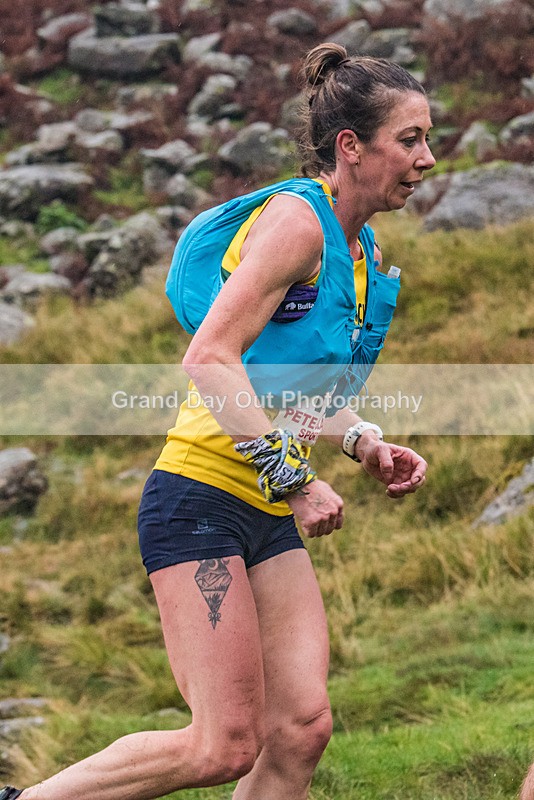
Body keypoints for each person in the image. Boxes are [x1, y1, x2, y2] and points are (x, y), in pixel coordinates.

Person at [2, 41, 434, 800]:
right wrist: (298, 481)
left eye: (427, 138)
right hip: (199, 498)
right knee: (221, 745)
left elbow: (289, 385)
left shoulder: (359, 249)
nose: (427, 158)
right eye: (410, 139)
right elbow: (209, 358)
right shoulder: (297, 223)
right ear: (351, 146)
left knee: (301, 728)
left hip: (260, 510)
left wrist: (363, 440)